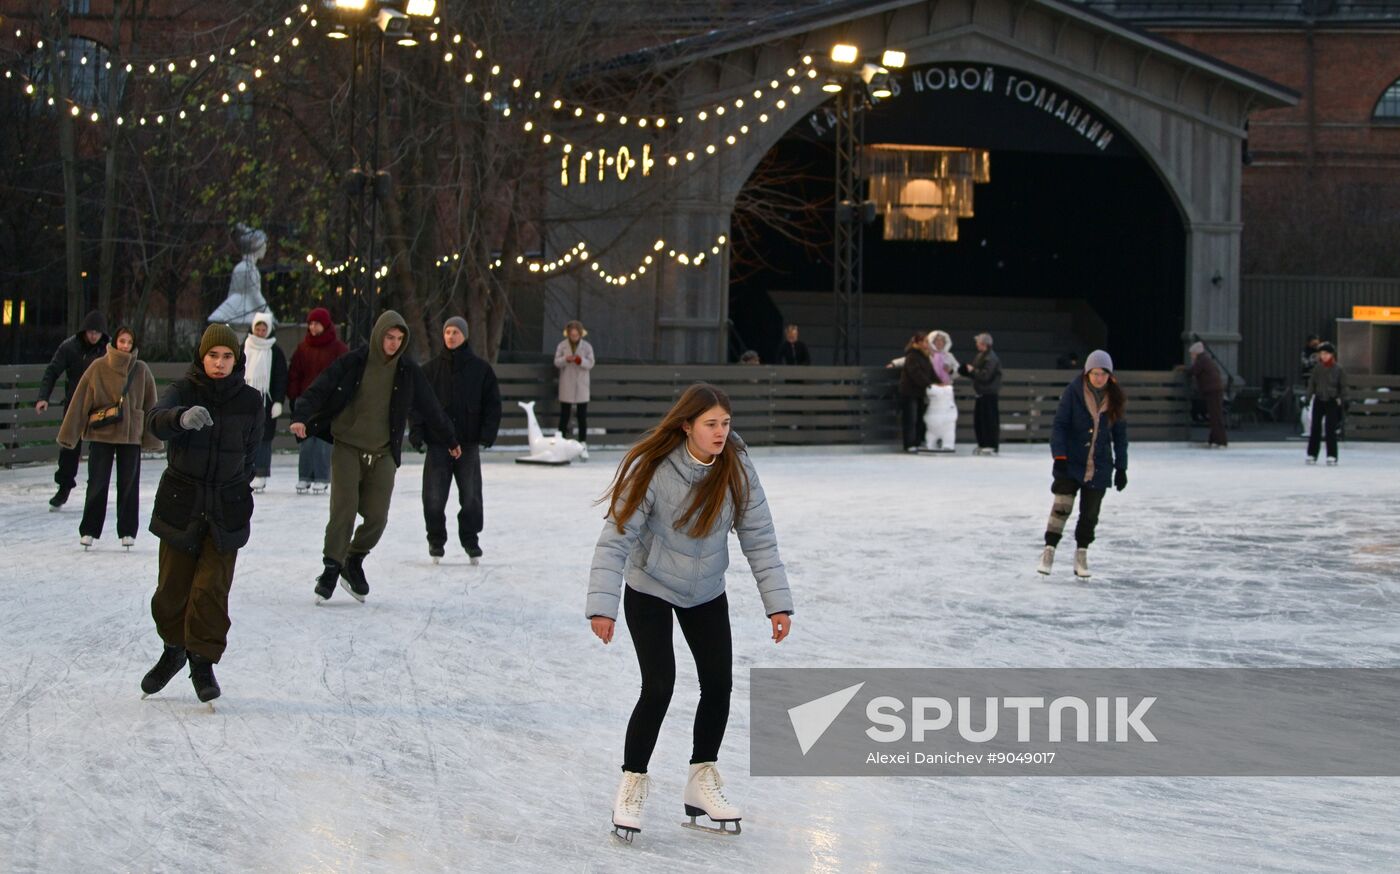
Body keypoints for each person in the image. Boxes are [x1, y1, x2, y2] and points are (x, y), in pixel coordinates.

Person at [587, 383, 793, 841]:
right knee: (659, 685)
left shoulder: (736, 467)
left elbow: (758, 534)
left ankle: (702, 778)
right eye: (710, 424)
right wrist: (603, 606)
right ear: (687, 426)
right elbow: (616, 537)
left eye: (726, 423)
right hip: (650, 587)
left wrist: (776, 602)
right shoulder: (653, 468)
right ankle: (632, 781)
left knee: (719, 684)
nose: (721, 433)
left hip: (705, 590)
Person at [290, 311, 460, 604]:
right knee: (344, 508)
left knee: (377, 517)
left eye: (399, 339)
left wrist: (450, 439)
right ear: (378, 334)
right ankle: (331, 568)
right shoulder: (354, 361)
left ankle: (353, 560)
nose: (393, 344)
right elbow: (322, 386)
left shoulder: (407, 371)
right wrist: (302, 416)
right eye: (388, 337)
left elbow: (430, 407)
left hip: (383, 453)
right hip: (348, 446)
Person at [139, 324, 264, 704]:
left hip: (226, 507)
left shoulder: (251, 401)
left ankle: (202, 660)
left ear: (237, 359)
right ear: (202, 357)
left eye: (227, 357)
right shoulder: (184, 389)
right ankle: (174, 649)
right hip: (183, 502)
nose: (220, 363)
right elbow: (155, 419)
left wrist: (236, 485)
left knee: (211, 589)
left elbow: (250, 453)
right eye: (213, 356)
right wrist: (180, 418)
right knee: (171, 592)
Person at [56, 326, 162, 549]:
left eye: (129, 342)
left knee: (129, 484)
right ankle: (89, 530)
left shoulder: (141, 369)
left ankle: (128, 531)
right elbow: (80, 402)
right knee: (97, 483)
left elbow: (150, 403)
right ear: (114, 343)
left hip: (130, 435)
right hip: (101, 432)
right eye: (122, 341)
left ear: (133, 345)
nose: (125, 346)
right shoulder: (98, 367)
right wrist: (69, 435)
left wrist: (152, 438)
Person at [411, 316, 501, 564]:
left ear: (465, 335)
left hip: (468, 444)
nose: (451, 336)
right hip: (438, 444)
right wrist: (417, 433)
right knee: (433, 496)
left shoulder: (481, 370)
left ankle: (470, 540)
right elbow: (417, 404)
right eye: (448, 331)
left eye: (456, 332)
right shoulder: (429, 370)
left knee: (471, 496)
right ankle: (435, 540)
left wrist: (486, 434)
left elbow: (492, 405)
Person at [1036, 350, 1128, 580]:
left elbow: (1120, 436)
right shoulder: (1073, 392)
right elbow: (1060, 425)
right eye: (1095, 373)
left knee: (1090, 515)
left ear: (1110, 376)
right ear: (1087, 373)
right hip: (1071, 462)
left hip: (1099, 466)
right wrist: (1059, 456)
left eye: (1103, 374)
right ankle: (1049, 550)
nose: (1099, 378)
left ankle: (1081, 554)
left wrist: (1121, 467)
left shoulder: (1115, 399)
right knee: (1061, 508)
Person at [35, 310, 110, 510]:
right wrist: (43, 397)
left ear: (102, 333)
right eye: (90, 332)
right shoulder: (70, 347)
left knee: (100, 450)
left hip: (100, 406)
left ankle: (95, 491)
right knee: (69, 448)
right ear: (84, 331)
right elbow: (52, 371)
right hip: (75, 405)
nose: (93, 336)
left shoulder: (108, 350)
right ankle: (64, 488)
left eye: (97, 332)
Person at [287, 307, 348, 494]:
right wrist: (294, 396)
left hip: (328, 402)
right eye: (311, 323)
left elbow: (345, 373)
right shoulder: (303, 348)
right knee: (305, 440)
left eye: (317, 323)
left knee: (323, 441)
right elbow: (295, 373)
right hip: (306, 400)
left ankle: (322, 477)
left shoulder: (338, 349)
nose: (313, 327)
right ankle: (304, 476)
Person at [242, 312, 287, 492]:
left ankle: (260, 473)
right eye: (258, 328)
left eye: (264, 329)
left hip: (266, 403)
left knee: (263, 438)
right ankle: (243, 471)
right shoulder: (244, 347)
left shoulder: (275, 351)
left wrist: (278, 401)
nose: (260, 332)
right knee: (243, 437)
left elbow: (280, 377)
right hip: (245, 402)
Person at [554, 320, 595, 461]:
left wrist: (580, 361)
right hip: (567, 384)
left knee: (582, 416)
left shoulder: (587, 346)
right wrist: (566, 359)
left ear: (580, 334)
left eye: (576, 335)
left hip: (581, 385)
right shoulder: (562, 345)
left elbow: (591, 363)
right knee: (564, 415)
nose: (574, 337)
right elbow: (557, 361)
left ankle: (583, 444)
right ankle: (561, 444)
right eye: (572, 335)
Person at [960, 332, 1003, 455]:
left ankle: (991, 444)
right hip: (980, 392)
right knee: (980, 420)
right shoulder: (981, 356)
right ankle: (983, 443)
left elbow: (985, 376)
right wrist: (966, 371)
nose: (976, 344)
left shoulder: (991, 358)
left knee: (990, 420)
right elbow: (977, 374)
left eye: (978, 342)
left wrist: (973, 370)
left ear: (984, 344)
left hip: (989, 393)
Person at [1305, 341, 1345, 465]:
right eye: (1322, 353)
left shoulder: (1338, 369)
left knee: (1330, 428)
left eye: (1326, 353)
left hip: (1332, 400)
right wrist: (1308, 397)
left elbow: (1343, 386)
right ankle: (1312, 454)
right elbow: (1312, 384)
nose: (1324, 356)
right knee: (1315, 427)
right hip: (1319, 399)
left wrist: (1344, 399)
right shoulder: (1317, 368)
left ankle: (1332, 455)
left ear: (1332, 354)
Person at [1186, 341, 1228, 448]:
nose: (1191, 356)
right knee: (1215, 415)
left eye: (1192, 353)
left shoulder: (1202, 360)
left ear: (1196, 353)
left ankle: (1221, 441)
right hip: (1215, 390)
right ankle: (1214, 439)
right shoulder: (1206, 359)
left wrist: (1182, 370)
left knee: (1215, 416)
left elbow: (1192, 371)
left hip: (1213, 391)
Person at [898, 332, 934, 452]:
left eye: (927, 342)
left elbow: (931, 372)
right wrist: (929, 384)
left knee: (920, 418)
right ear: (918, 343)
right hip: (910, 393)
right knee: (911, 419)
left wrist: (940, 382)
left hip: (920, 393)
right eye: (924, 341)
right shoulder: (912, 355)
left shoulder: (925, 356)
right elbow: (916, 373)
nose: (927, 344)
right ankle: (909, 444)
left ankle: (918, 442)